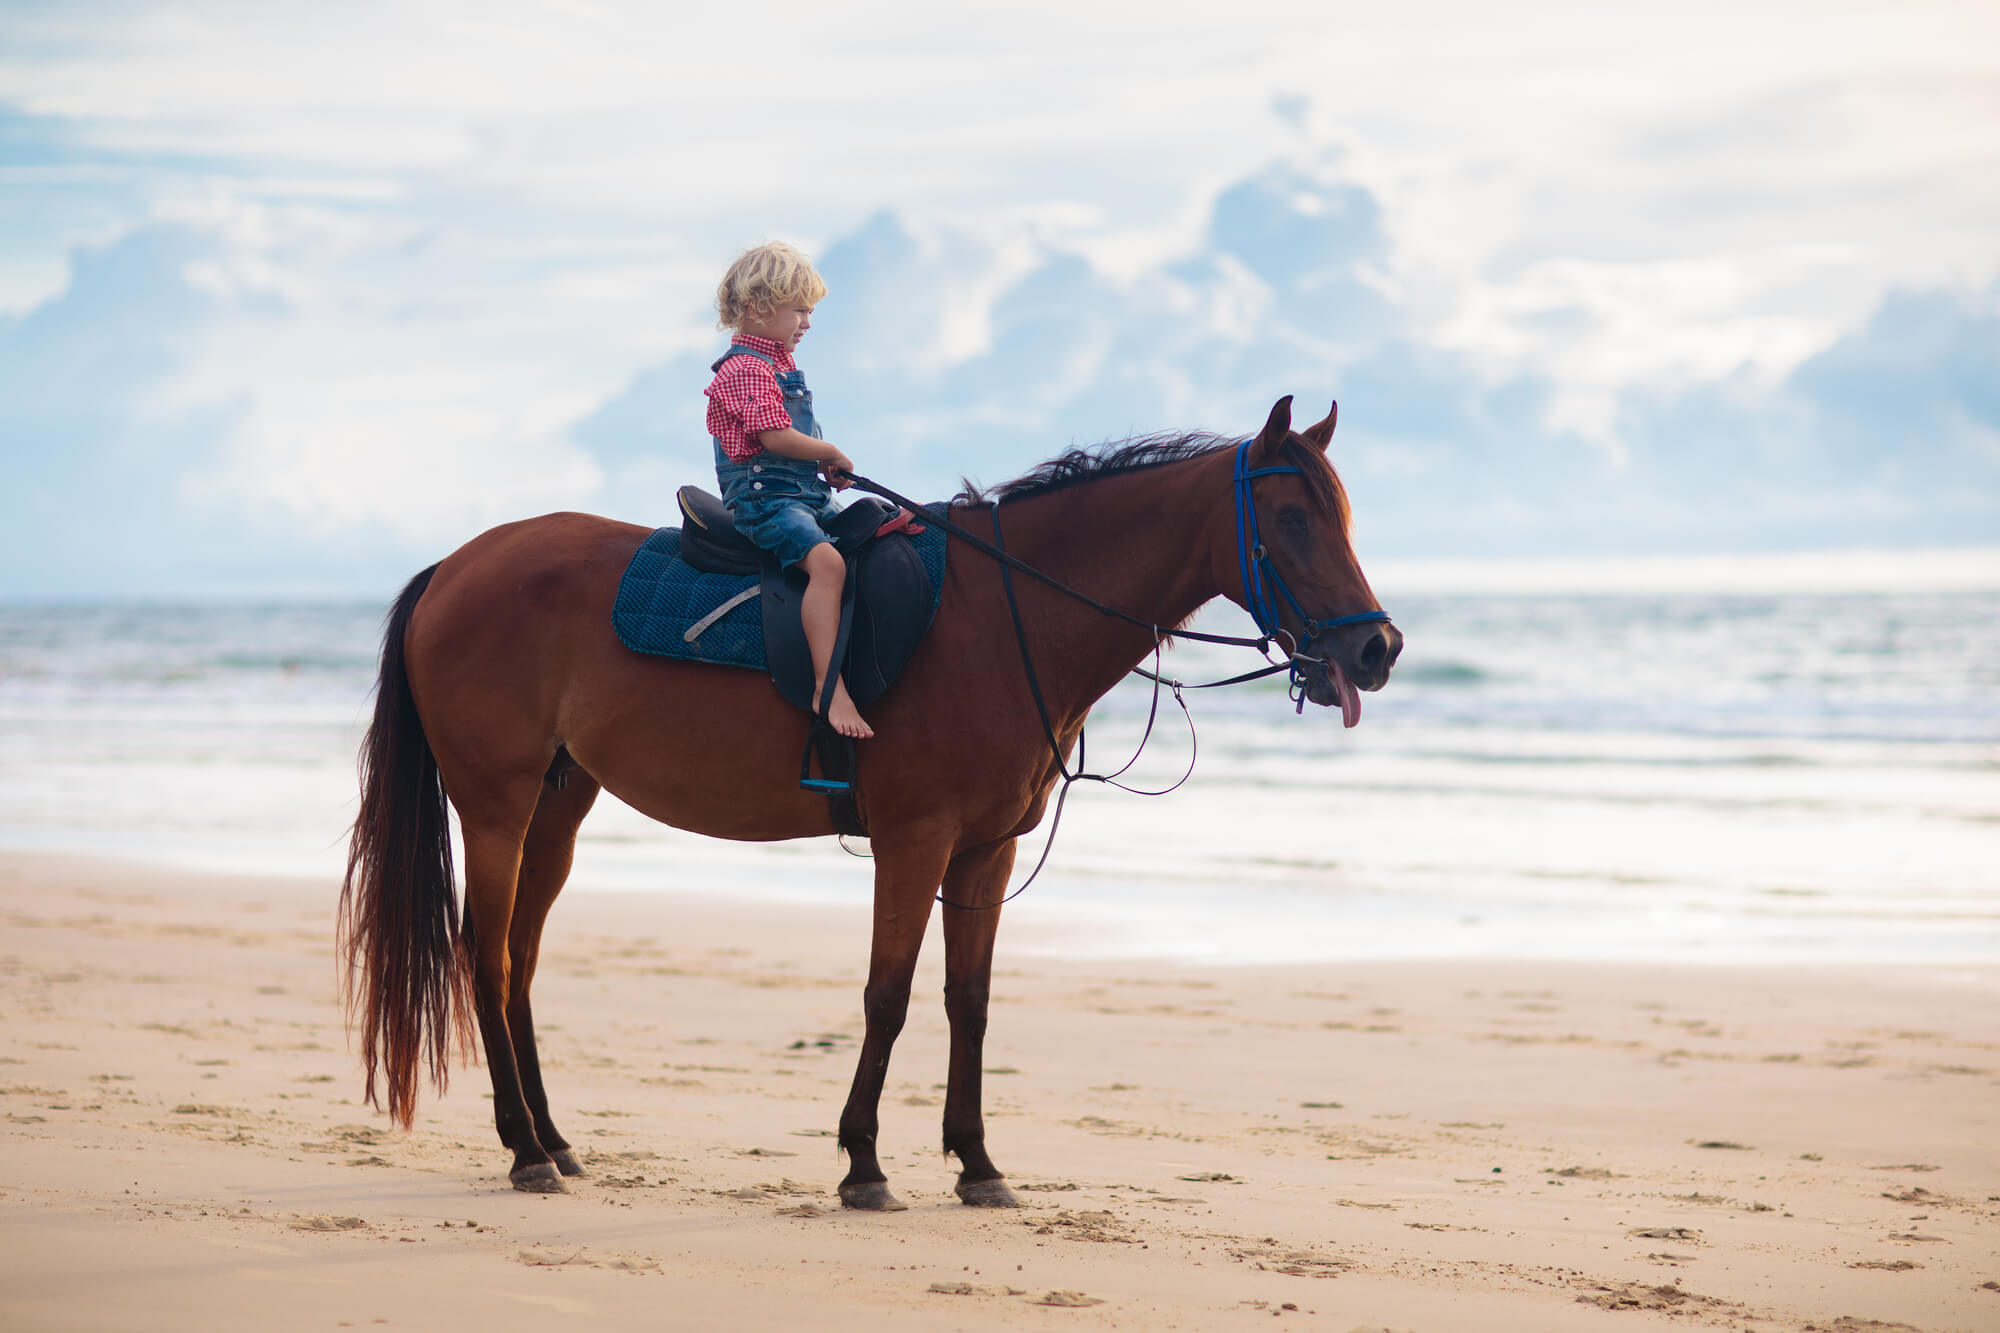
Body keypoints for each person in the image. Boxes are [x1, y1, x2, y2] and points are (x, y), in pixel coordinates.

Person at [705, 242, 873, 740]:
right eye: (799, 309)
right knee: (827, 564)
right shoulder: (745, 370)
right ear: (759, 307)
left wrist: (821, 468)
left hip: (800, 495)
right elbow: (775, 438)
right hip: (765, 502)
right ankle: (827, 685)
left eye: (811, 311)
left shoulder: (779, 367)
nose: (807, 321)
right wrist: (829, 452)